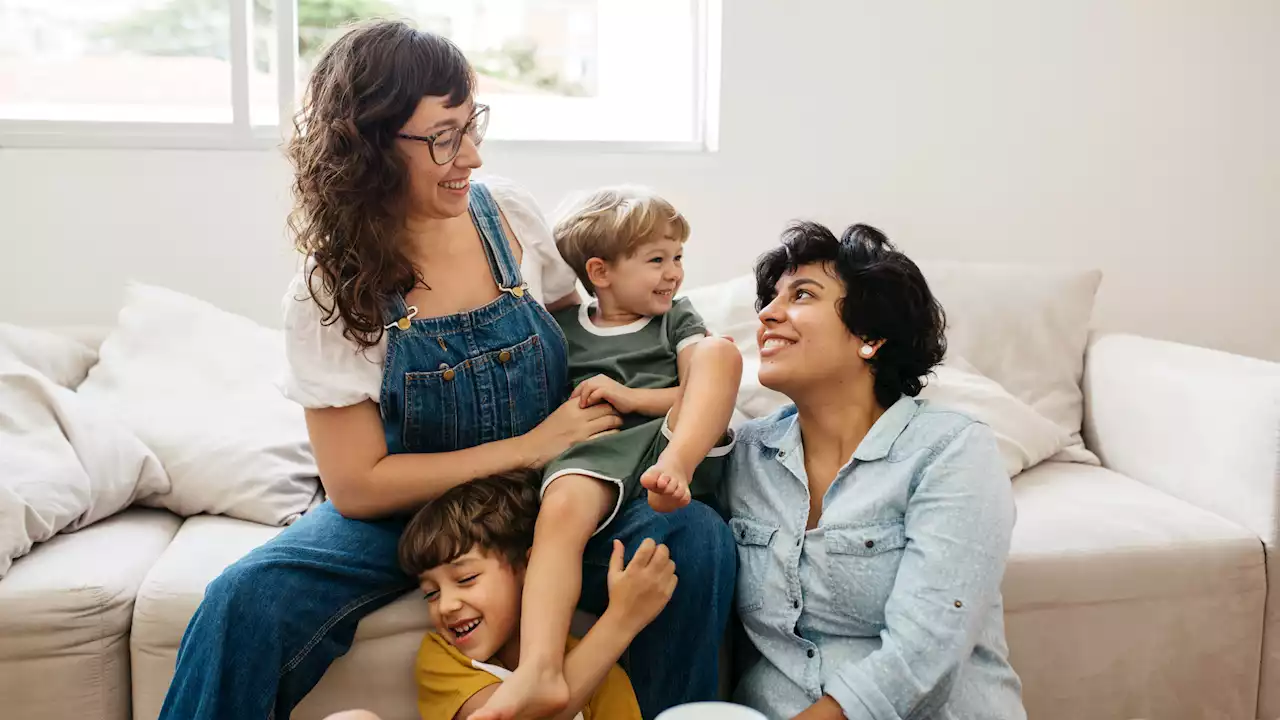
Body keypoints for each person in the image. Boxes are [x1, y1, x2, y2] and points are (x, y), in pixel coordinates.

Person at [156, 20, 735, 720]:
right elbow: (358, 486)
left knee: (693, 540)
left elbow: (580, 339)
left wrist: (650, 402)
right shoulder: (329, 292)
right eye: (443, 137)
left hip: (555, 492)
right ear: (368, 147)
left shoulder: (511, 218)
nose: (473, 156)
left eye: (471, 125)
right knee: (246, 598)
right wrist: (525, 445)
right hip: (413, 513)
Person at [723, 222, 1026, 719]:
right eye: (769, 300)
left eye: (801, 295)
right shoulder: (746, 455)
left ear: (870, 336)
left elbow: (925, 649)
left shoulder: (950, 449)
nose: (768, 316)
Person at [476, 187, 742, 719]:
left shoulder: (677, 320)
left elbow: (700, 390)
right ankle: (540, 668)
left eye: (678, 258)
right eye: (656, 260)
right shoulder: (565, 331)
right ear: (600, 272)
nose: (674, 273)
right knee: (562, 510)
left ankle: (677, 471)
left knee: (719, 352)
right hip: (599, 450)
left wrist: (633, 397)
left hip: (671, 441)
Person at [399, 470, 677, 720]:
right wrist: (621, 621)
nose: (446, 606)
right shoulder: (442, 660)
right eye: (431, 594)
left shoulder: (603, 675)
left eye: (466, 579)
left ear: (530, 568)